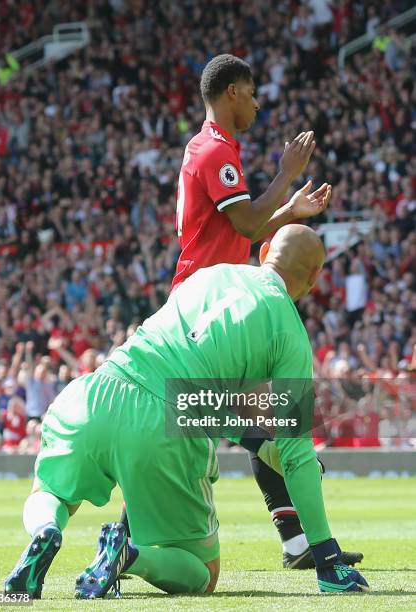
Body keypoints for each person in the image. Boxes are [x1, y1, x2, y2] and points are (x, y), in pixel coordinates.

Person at [5, 225, 369, 599]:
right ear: (313, 279)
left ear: (264, 254)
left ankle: (45, 530)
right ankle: (127, 555)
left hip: (96, 393)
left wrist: (258, 444)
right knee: (202, 574)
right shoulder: (291, 337)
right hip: (161, 427)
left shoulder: (210, 275)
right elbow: (295, 455)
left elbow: (182, 384)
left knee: (52, 493)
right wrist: (326, 558)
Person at [169, 53, 360, 569]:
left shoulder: (218, 149)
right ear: (231, 92)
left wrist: (290, 210)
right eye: (251, 92)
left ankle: (297, 536)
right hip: (204, 304)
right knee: (205, 421)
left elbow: (241, 225)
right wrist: (285, 174)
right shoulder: (213, 151)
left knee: (245, 412)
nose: (256, 102)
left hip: (222, 297)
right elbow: (251, 226)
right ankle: (124, 536)